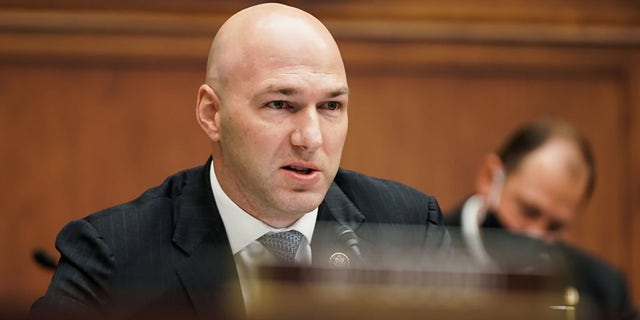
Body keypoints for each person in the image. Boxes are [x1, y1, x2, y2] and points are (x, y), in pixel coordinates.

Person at [30, 3, 450, 319]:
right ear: (212, 114)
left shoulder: (409, 226)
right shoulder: (114, 254)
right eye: (280, 104)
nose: (310, 138)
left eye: (331, 106)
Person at [445, 119, 637, 320]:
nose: (535, 234)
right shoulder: (425, 243)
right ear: (490, 177)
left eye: (555, 226)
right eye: (528, 211)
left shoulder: (602, 291)